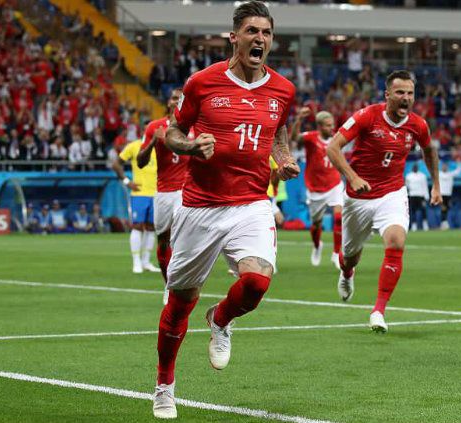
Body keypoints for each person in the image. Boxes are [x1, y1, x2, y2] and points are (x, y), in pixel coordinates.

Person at [154, 2, 299, 419]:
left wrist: (283, 159)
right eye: (252, 31)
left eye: (266, 32)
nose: (260, 39)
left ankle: (220, 318)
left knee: (256, 283)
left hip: (251, 202)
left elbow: (278, 133)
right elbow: (172, 132)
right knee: (180, 302)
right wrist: (190, 146)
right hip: (200, 207)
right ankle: (164, 385)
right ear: (233, 37)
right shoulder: (202, 83)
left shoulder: (283, 90)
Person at [326, 70, 442, 333]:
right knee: (350, 258)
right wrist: (352, 177)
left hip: (392, 193)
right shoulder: (367, 116)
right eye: (400, 93)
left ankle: (378, 311)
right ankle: (346, 273)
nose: (406, 98)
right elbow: (333, 148)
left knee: (396, 241)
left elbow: (429, 151)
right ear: (387, 94)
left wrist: (436, 185)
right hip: (358, 198)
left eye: (410, 93)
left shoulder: (418, 125)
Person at [137, 88, 188, 299]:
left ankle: (181, 285)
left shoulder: (194, 126)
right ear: (169, 102)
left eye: (181, 99)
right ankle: (168, 285)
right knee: (163, 241)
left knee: (181, 239)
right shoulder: (154, 127)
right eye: (174, 98)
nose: (176, 102)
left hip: (186, 192)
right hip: (164, 192)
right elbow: (140, 162)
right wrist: (153, 142)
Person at [290, 107, 343, 268]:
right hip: (315, 188)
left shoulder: (337, 139)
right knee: (316, 225)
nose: (331, 128)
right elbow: (294, 139)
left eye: (332, 124)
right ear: (319, 126)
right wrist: (299, 119)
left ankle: (336, 253)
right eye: (327, 125)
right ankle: (317, 245)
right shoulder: (311, 138)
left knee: (338, 218)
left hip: (334, 183)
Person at [113, 138, 159, 274]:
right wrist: (127, 181)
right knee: (138, 226)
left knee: (151, 228)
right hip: (140, 193)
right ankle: (136, 261)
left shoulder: (161, 146)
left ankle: (146, 261)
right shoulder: (134, 146)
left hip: (157, 193)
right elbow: (116, 164)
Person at [438, 160, 461, 229]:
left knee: (447, 208)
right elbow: (432, 171)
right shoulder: (439, 173)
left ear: (447, 167)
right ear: (441, 167)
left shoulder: (450, 174)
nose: (444, 168)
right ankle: (443, 222)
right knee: (443, 208)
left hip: (448, 194)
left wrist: (459, 164)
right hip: (441, 194)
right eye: (443, 167)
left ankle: (444, 222)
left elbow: (458, 171)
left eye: (445, 167)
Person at [405, 162, 429, 231]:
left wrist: (426, 196)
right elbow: (407, 187)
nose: (415, 168)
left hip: (421, 196)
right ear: (412, 168)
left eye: (416, 167)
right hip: (412, 195)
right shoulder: (408, 176)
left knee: (423, 210)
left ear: (418, 168)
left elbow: (425, 186)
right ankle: (414, 225)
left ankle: (425, 225)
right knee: (413, 211)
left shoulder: (422, 176)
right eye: (414, 167)